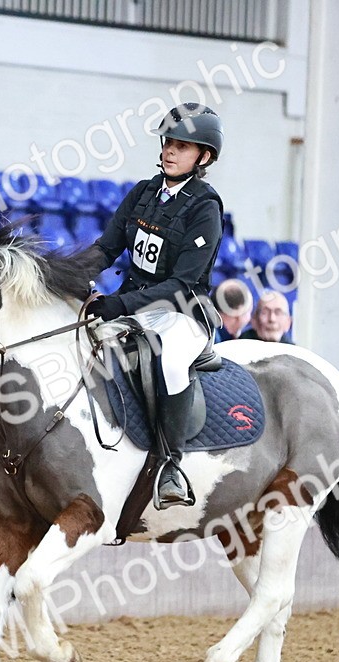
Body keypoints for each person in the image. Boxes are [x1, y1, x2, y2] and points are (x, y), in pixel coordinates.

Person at [86, 102, 225, 508]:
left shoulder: (205, 207)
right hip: (133, 303)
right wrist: (69, 276)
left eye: (182, 146)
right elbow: (106, 247)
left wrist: (120, 305)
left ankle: (171, 464)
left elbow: (181, 282)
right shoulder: (145, 192)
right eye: (168, 143)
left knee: (170, 361)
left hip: (181, 311)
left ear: (204, 157)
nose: (169, 151)